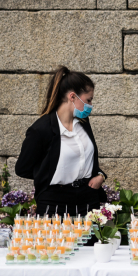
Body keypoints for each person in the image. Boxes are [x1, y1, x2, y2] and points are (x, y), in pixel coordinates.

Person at [15, 66, 107, 221]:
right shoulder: (41, 129)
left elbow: (85, 158)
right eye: (88, 100)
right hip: (54, 203)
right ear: (72, 96)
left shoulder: (83, 123)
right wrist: (50, 174)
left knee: (91, 244)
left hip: (88, 200)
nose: (91, 105)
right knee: (58, 245)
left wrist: (100, 175)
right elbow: (22, 168)